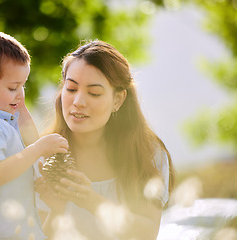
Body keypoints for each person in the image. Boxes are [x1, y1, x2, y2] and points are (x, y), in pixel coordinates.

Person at [35, 40, 175, 240]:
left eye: (94, 93)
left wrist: (92, 201)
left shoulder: (147, 153)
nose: (78, 102)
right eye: (71, 89)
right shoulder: (41, 155)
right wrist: (57, 210)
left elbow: (147, 234)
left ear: (118, 100)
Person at [0, 30, 69, 240]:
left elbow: (30, 137)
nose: (20, 93)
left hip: (15, 228)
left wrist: (21, 107)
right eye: (12, 87)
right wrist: (38, 150)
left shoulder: (0, 115)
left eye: (23, 85)